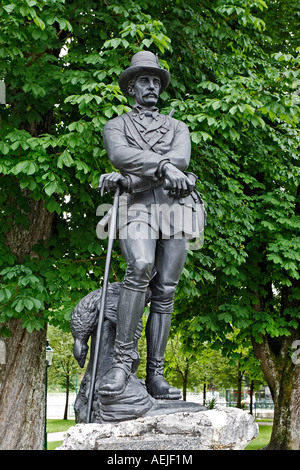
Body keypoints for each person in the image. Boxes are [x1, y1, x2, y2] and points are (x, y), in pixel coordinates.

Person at [98, 51, 204, 399]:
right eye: (144, 80)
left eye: (156, 81)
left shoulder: (178, 127)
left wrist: (133, 178)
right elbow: (120, 155)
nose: (151, 86)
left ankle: (156, 374)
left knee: (166, 292)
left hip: (176, 209)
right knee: (140, 266)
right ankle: (121, 363)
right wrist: (164, 169)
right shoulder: (117, 126)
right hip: (136, 209)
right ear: (131, 87)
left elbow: (182, 158)